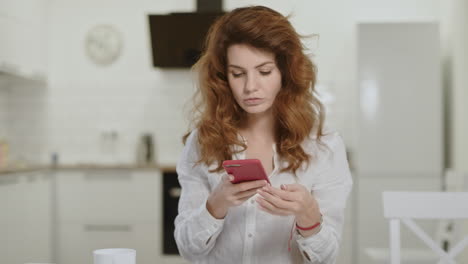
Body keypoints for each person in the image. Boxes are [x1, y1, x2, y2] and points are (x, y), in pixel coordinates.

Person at [174, 5, 353, 264]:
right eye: (238, 74)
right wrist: (216, 206)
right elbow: (188, 251)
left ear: (285, 73)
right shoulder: (202, 143)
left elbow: (326, 258)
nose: (250, 87)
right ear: (224, 78)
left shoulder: (324, 147)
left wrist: (308, 216)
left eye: (265, 71)